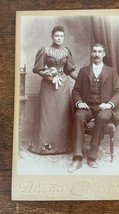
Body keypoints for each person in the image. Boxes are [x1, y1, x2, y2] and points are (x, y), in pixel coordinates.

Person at [68, 43, 119, 173]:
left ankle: (92, 156)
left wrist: (109, 104)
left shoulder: (112, 71)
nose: (97, 54)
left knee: (103, 117)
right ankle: (77, 157)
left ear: (104, 54)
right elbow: (75, 91)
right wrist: (79, 102)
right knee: (78, 116)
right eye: (94, 51)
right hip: (87, 106)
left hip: (104, 107)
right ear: (91, 53)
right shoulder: (83, 71)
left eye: (99, 52)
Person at [29, 26, 76, 155]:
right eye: (56, 36)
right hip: (48, 86)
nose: (59, 38)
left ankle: (63, 146)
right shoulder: (45, 50)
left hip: (63, 86)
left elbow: (69, 71)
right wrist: (51, 76)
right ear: (52, 37)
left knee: (62, 114)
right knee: (47, 114)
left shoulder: (66, 51)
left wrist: (80, 80)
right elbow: (38, 69)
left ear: (63, 37)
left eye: (61, 36)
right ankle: (45, 147)